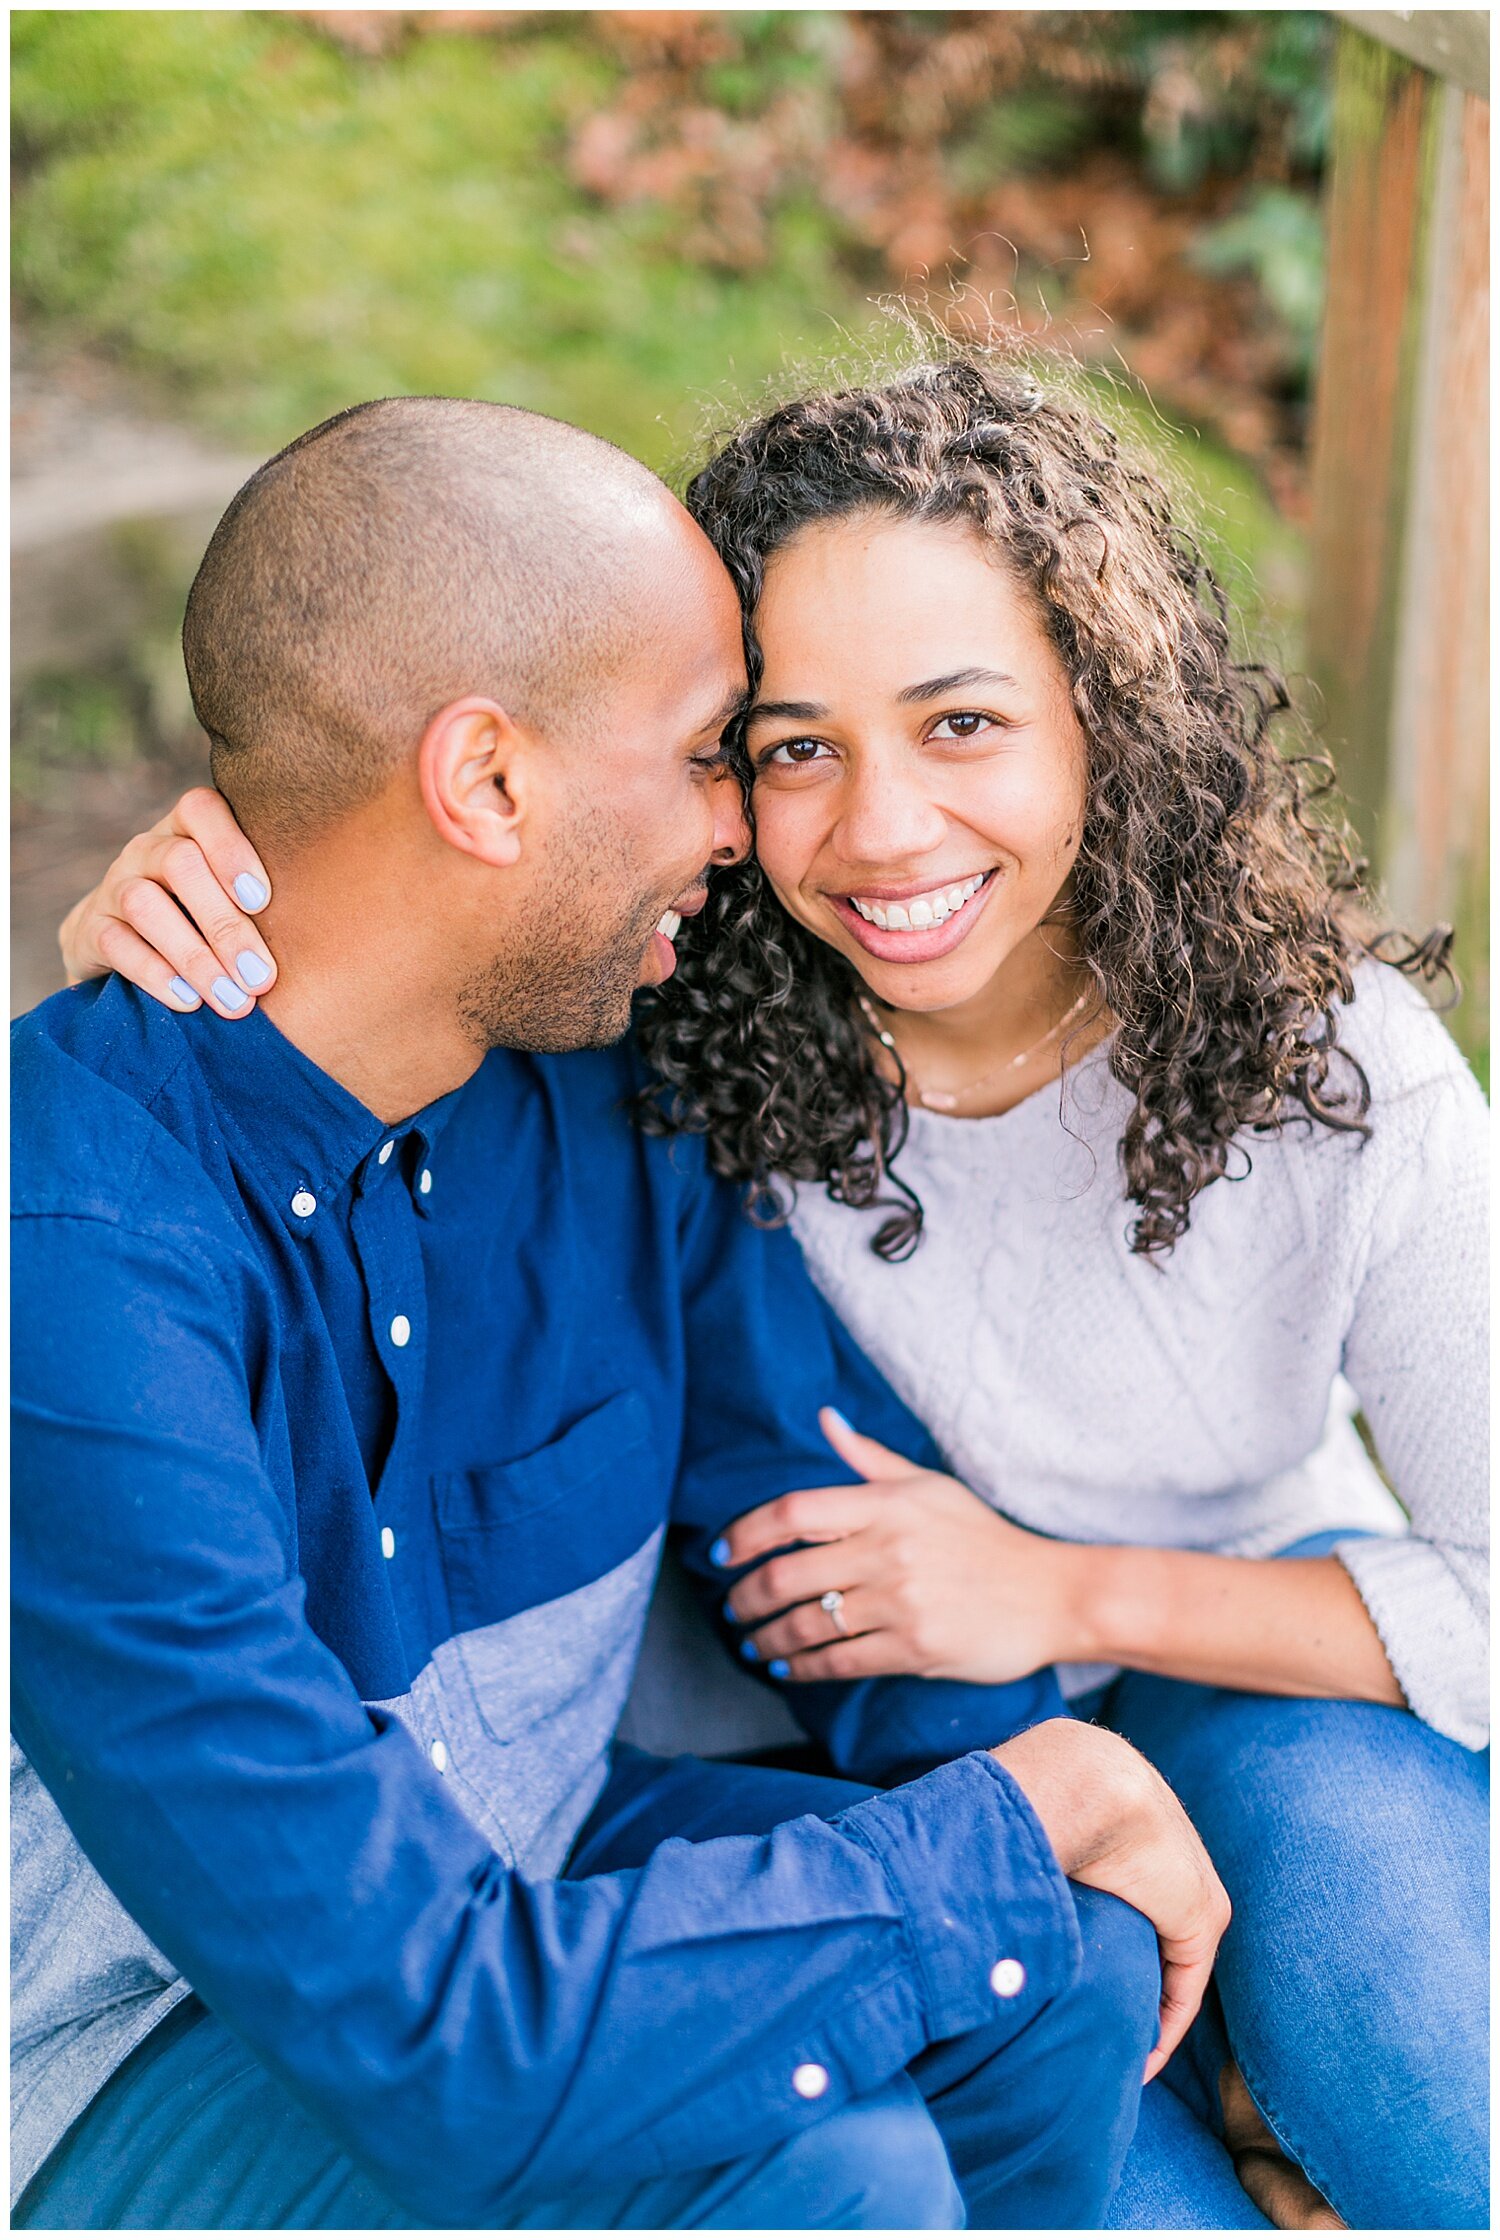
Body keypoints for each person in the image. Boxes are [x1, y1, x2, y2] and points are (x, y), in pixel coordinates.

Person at [76, 356, 1488, 2232]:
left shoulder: (1333, 1070)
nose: (855, 828)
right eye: (774, 747)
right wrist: (233, 929)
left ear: (1106, 717)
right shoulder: (688, 1030)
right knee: (949, 2137)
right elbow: (387, 909)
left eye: (966, 722)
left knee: (1350, 2027)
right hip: (610, 1842)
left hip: (1243, 1661)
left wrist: (1058, 1655)